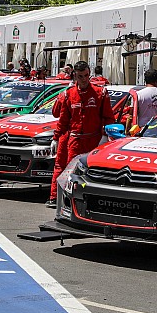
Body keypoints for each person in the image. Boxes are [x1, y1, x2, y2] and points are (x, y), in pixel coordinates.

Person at [48, 61, 115, 208]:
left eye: (86, 76)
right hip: (75, 140)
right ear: (75, 76)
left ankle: (92, 202)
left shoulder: (100, 93)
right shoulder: (68, 94)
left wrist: (107, 136)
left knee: (93, 172)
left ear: (89, 74)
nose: (84, 79)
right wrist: (55, 138)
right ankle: (66, 201)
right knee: (71, 171)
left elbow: (109, 117)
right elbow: (63, 120)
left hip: (94, 139)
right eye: (80, 76)